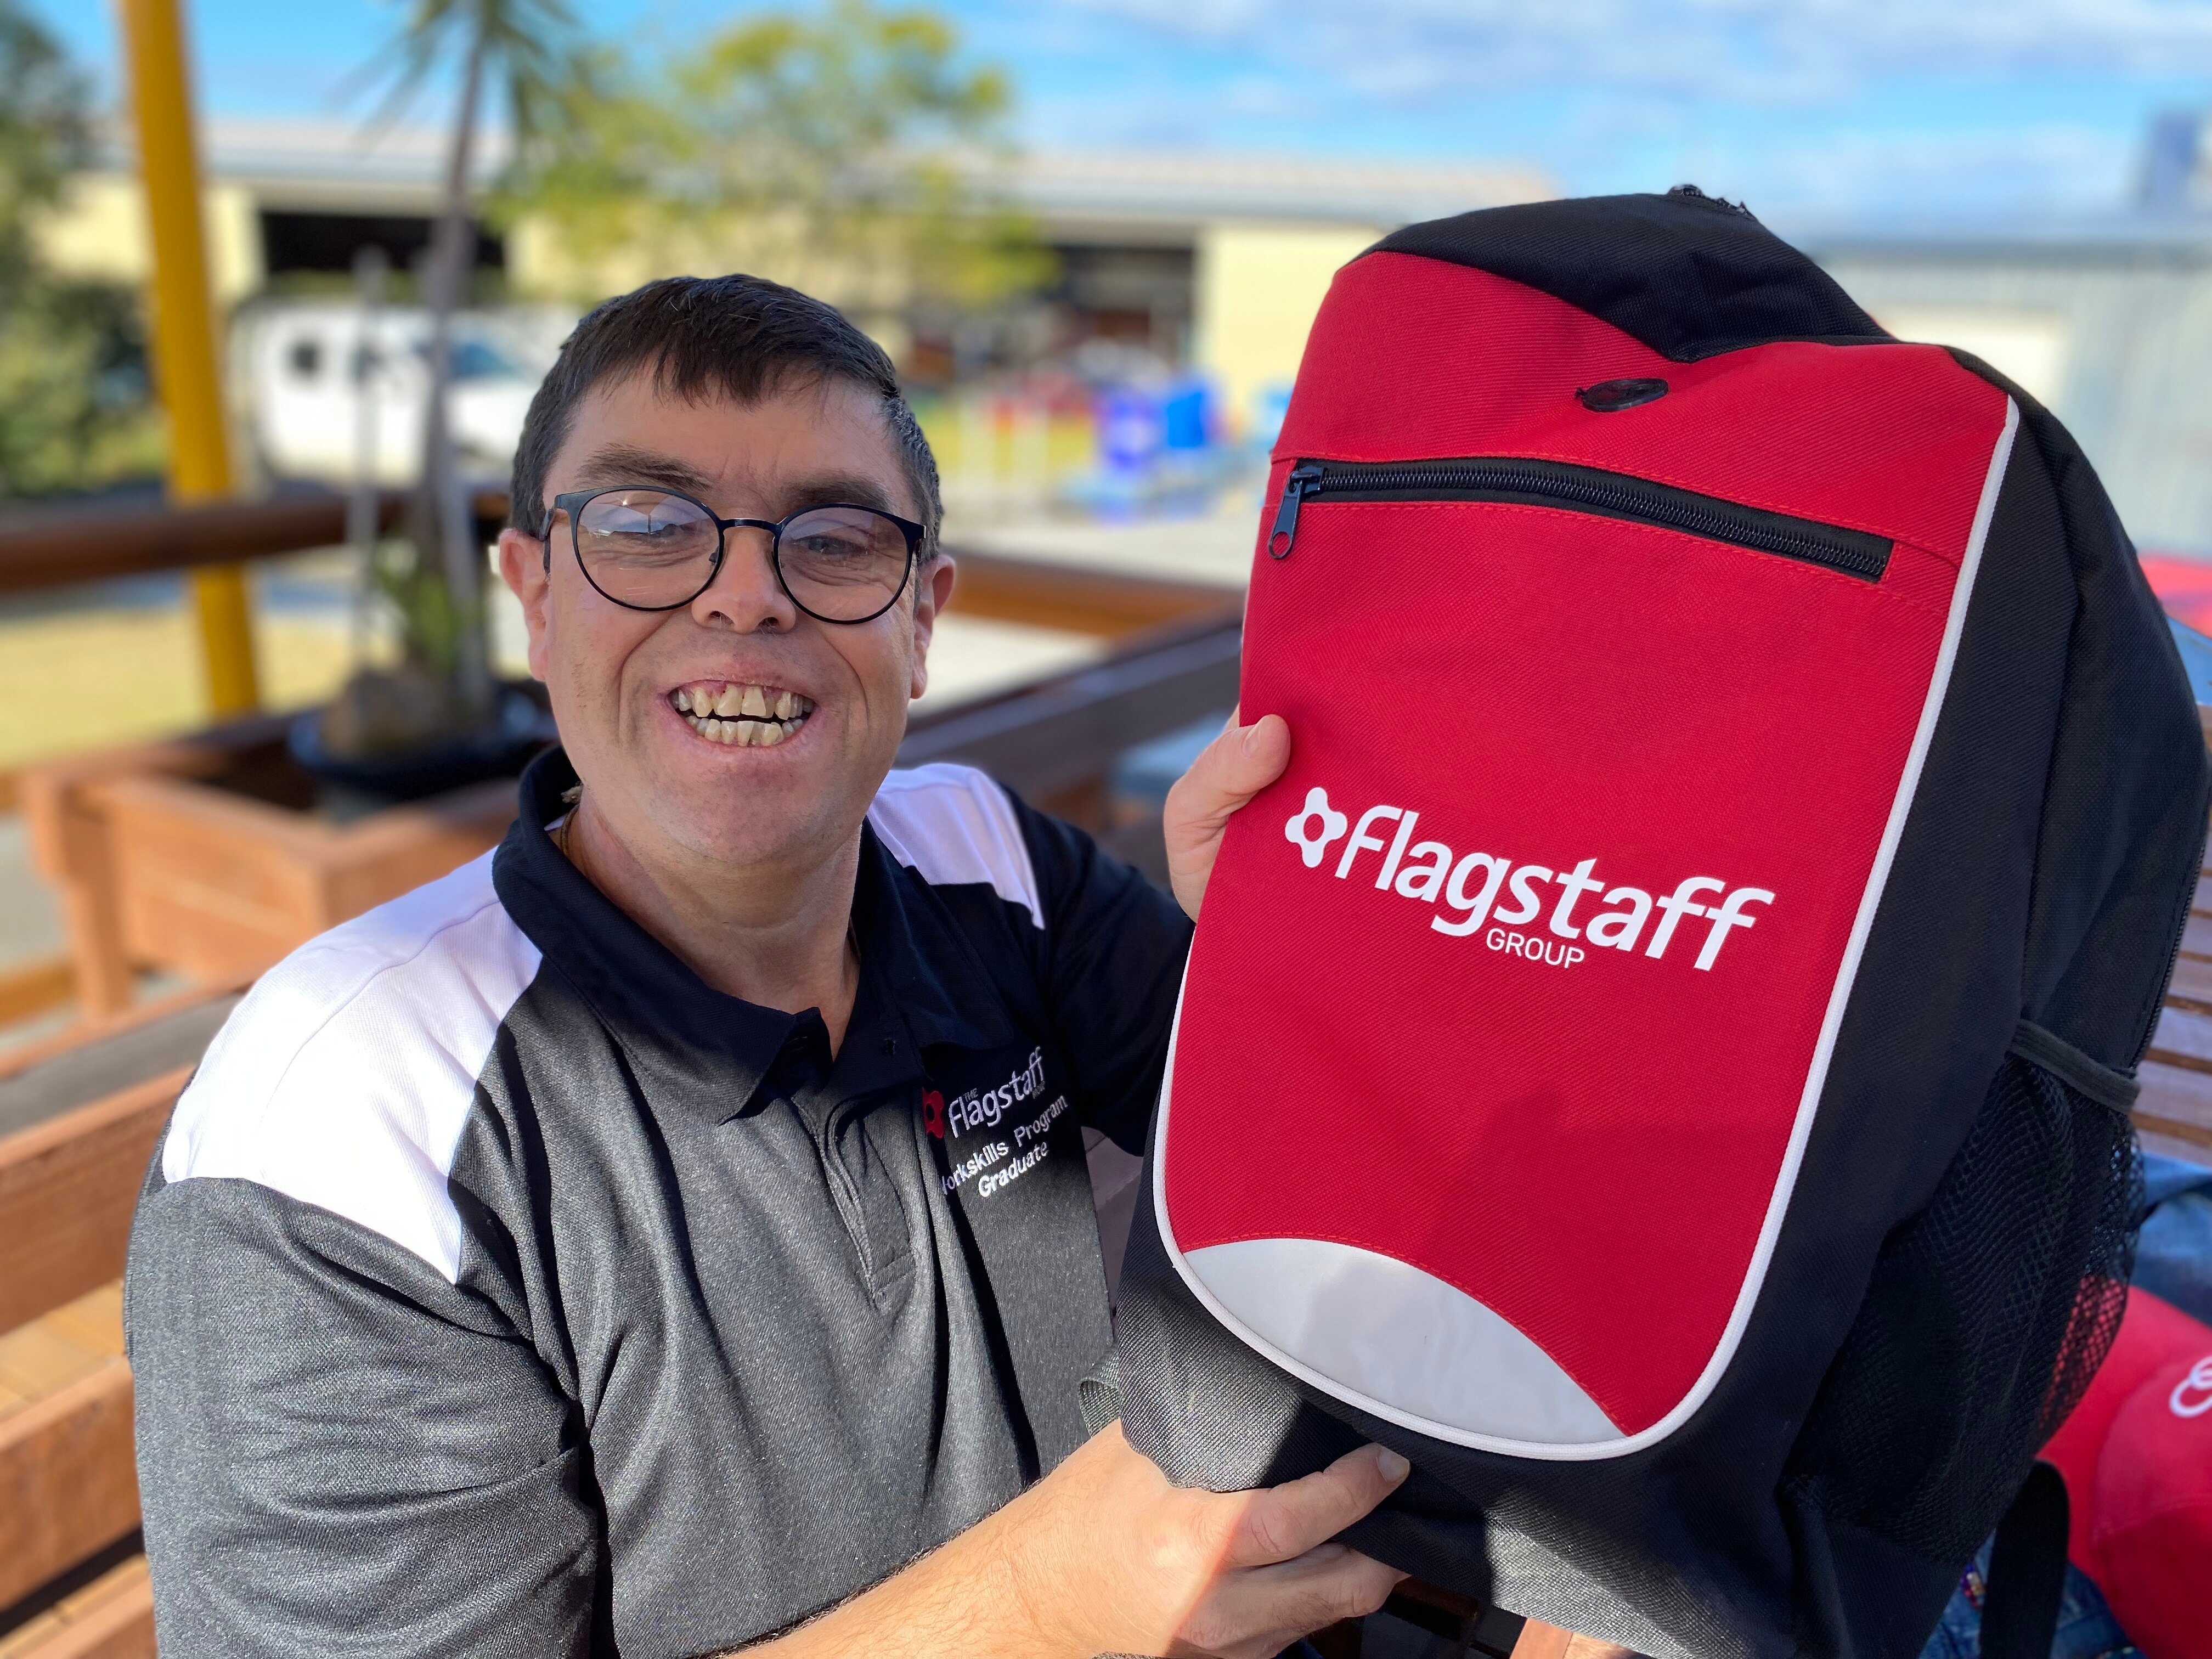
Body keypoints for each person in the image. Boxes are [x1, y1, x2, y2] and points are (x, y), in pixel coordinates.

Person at [123, 273, 1407, 1658]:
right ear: (535, 597)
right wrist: (1048, 1610)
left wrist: (1279, 971)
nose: (744, 596)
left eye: (839, 538)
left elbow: (1335, 1183)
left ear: (921, 621)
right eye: (649, 526)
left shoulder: (988, 861)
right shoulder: (353, 1123)